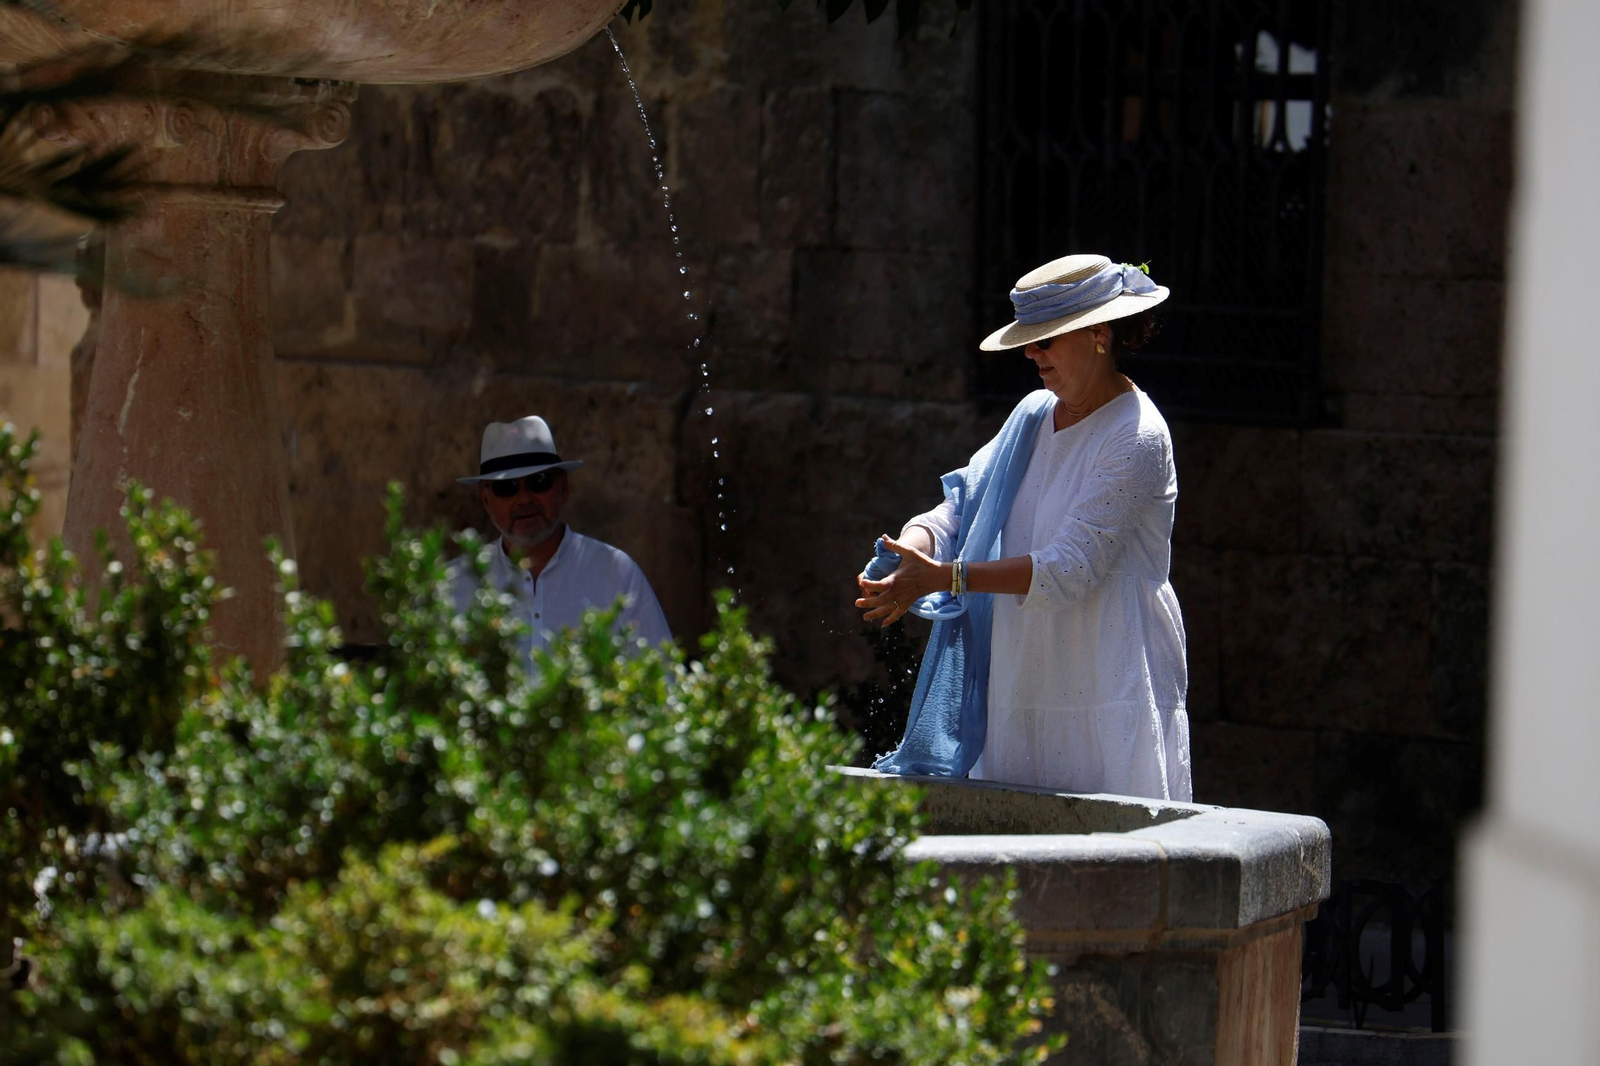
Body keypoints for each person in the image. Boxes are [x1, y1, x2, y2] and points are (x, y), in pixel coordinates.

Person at [855, 253, 1190, 801]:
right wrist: (909, 551)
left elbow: (1069, 570)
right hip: (1024, 672)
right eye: (1029, 341)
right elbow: (964, 504)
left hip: (1110, 674)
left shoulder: (1137, 433)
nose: (1032, 354)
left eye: (1045, 340)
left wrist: (946, 578)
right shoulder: (1034, 414)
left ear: (1099, 334)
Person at [449, 414, 672, 657]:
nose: (524, 499)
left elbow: (659, 678)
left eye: (539, 481)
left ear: (563, 487)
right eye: (507, 487)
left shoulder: (616, 574)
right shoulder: (454, 584)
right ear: (485, 499)